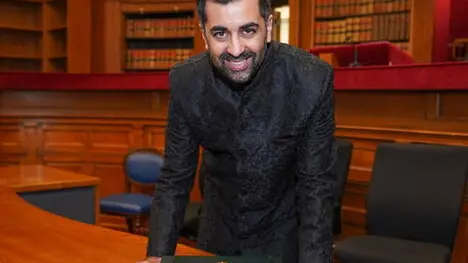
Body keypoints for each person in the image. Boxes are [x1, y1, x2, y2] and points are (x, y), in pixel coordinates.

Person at [138, 0, 337, 262]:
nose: (235, 49)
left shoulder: (311, 79)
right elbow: (175, 177)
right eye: (220, 33)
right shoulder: (186, 81)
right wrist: (157, 255)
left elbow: (316, 187)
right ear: (204, 34)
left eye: (248, 31)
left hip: (285, 242)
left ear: (268, 26)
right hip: (215, 237)